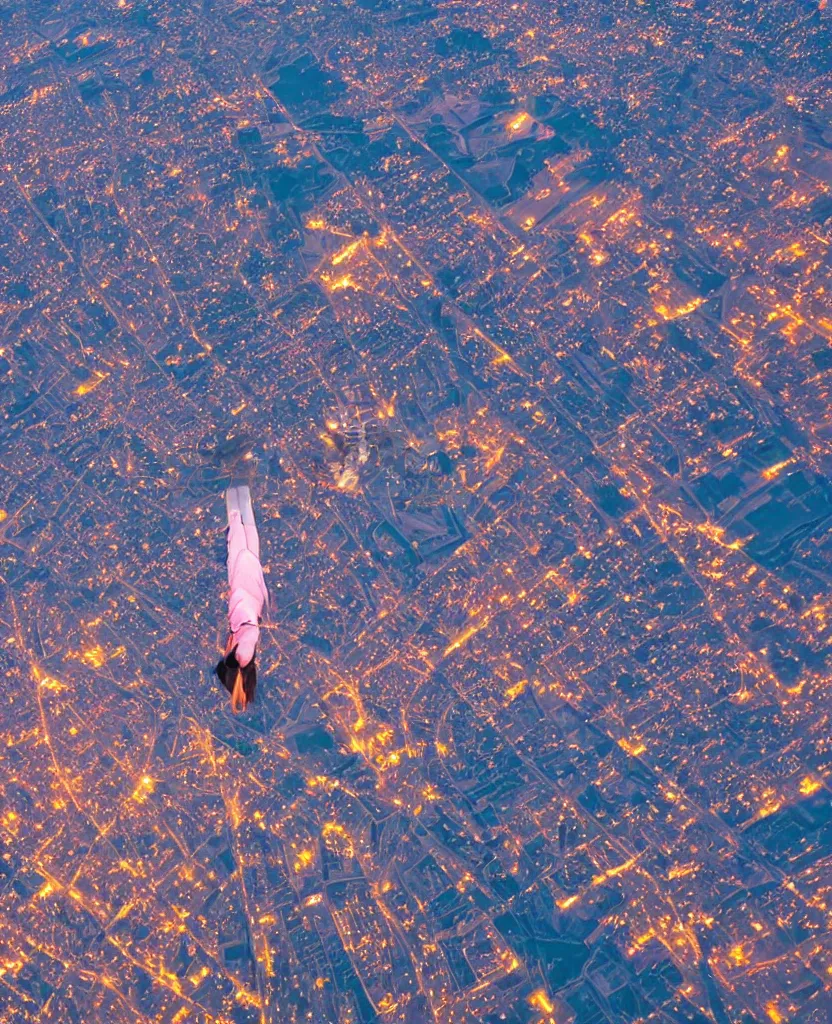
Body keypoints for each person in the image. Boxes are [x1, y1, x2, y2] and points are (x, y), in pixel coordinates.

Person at [215, 484, 268, 712]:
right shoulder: (241, 654)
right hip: (244, 597)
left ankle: (239, 487)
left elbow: (252, 631)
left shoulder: (243, 653)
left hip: (250, 599)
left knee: (246, 533)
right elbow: (250, 631)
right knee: (238, 534)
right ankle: (234, 487)